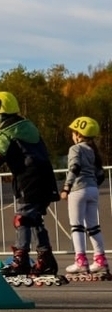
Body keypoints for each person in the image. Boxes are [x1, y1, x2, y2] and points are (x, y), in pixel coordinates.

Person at [0, 91, 61, 278]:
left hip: (28, 178)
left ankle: (21, 260)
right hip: (46, 178)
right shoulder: (29, 127)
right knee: (35, 219)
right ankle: (46, 258)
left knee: (22, 218)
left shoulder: (4, 134)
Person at [60, 116, 107, 279]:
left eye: (73, 132)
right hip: (93, 189)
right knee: (93, 227)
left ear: (78, 134)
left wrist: (66, 187)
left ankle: (80, 261)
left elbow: (74, 167)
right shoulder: (93, 150)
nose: (72, 135)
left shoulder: (76, 149)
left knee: (77, 226)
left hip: (78, 189)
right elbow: (100, 174)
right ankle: (100, 259)